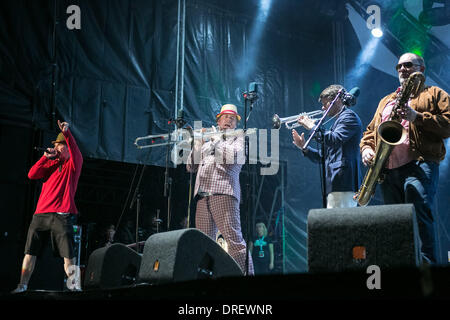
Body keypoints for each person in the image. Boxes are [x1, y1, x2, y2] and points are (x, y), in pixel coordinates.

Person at [360, 53, 450, 264]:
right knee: (395, 222)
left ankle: (427, 271)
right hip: (388, 170)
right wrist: (366, 149)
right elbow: (370, 133)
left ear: (421, 69)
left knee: (419, 214)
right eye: (399, 66)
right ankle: (401, 268)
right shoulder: (386, 101)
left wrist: (417, 117)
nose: (402, 69)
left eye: (408, 65)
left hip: (419, 164)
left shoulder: (434, 93)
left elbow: (448, 123)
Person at [12, 120, 83, 293]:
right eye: (56, 145)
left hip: (61, 214)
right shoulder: (50, 164)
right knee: (30, 252)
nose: (57, 148)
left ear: (67, 147)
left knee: (69, 256)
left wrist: (67, 133)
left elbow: (76, 153)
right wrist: (45, 157)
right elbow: (31, 174)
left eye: (60, 145)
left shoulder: (73, 165)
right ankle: (22, 285)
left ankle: (74, 287)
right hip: (41, 213)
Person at [186, 104, 254, 275]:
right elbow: (190, 166)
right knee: (204, 243)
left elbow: (232, 158)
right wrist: (198, 144)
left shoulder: (238, 138)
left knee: (234, 241)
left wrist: (215, 139)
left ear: (236, 123)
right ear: (218, 120)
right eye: (225, 117)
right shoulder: (208, 142)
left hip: (224, 193)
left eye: (232, 118)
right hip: (202, 196)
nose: (229, 120)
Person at [292, 84, 363, 208]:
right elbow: (324, 157)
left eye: (326, 104)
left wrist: (312, 127)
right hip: (335, 183)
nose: (323, 108)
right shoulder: (337, 123)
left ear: (338, 101)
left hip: (344, 182)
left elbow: (334, 139)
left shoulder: (349, 117)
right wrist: (304, 147)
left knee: (343, 223)